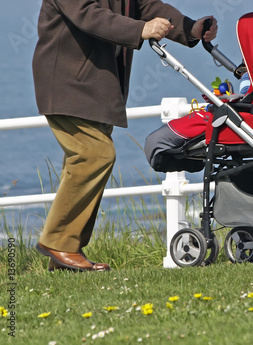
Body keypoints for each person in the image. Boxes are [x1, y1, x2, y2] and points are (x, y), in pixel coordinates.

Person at [32, 0, 218, 272]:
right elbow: (88, 16)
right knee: (95, 155)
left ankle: (64, 255)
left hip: (97, 85)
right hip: (66, 83)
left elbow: (148, 6)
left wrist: (190, 29)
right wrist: (141, 29)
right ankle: (58, 242)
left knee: (82, 163)